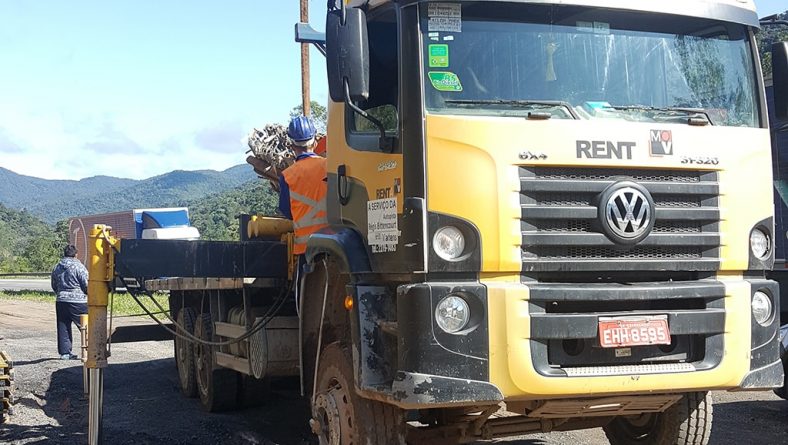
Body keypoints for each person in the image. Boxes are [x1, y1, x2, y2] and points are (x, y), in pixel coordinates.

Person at [278, 115, 329, 257]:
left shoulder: (287, 175)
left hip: (306, 248)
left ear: (292, 145)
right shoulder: (329, 166)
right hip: (336, 243)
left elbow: (286, 210)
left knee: (303, 280)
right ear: (315, 142)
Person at [50, 245, 89, 360]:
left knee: (63, 326)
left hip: (61, 300)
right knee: (85, 326)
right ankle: (89, 350)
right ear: (76, 254)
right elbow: (86, 284)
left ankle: (65, 353)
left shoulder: (57, 267)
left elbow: (54, 284)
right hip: (78, 301)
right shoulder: (79, 266)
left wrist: (60, 293)